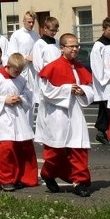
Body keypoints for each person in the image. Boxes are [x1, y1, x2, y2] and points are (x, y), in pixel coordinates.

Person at [34, 33, 94, 198]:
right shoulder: (53, 67)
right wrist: (68, 89)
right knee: (56, 152)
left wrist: (82, 91)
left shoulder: (80, 67)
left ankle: (79, 182)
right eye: (71, 46)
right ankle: (48, 173)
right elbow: (46, 92)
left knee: (78, 149)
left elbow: (89, 88)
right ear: (62, 48)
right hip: (57, 114)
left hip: (75, 113)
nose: (75, 49)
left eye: (77, 46)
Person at [0, 52, 38, 191]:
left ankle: (21, 177)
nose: (17, 74)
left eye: (20, 71)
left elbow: (28, 94)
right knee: (4, 149)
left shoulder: (20, 79)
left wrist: (21, 99)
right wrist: (3, 100)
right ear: (8, 66)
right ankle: (5, 179)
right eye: (15, 71)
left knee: (22, 148)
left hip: (17, 117)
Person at [91, 18, 110, 146]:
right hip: (105, 82)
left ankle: (102, 131)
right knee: (107, 107)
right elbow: (96, 65)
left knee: (109, 108)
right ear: (103, 30)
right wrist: (104, 77)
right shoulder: (98, 46)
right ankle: (105, 131)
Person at [7, 11, 39, 123]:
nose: (31, 24)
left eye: (33, 22)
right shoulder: (16, 35)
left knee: (31, 98)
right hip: (21, 70)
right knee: (20, 97)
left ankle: (29, 127)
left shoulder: (36, 35)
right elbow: (13, 54)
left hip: (33, 71)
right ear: (23, 21)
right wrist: (25, 57)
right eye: (29, 22)